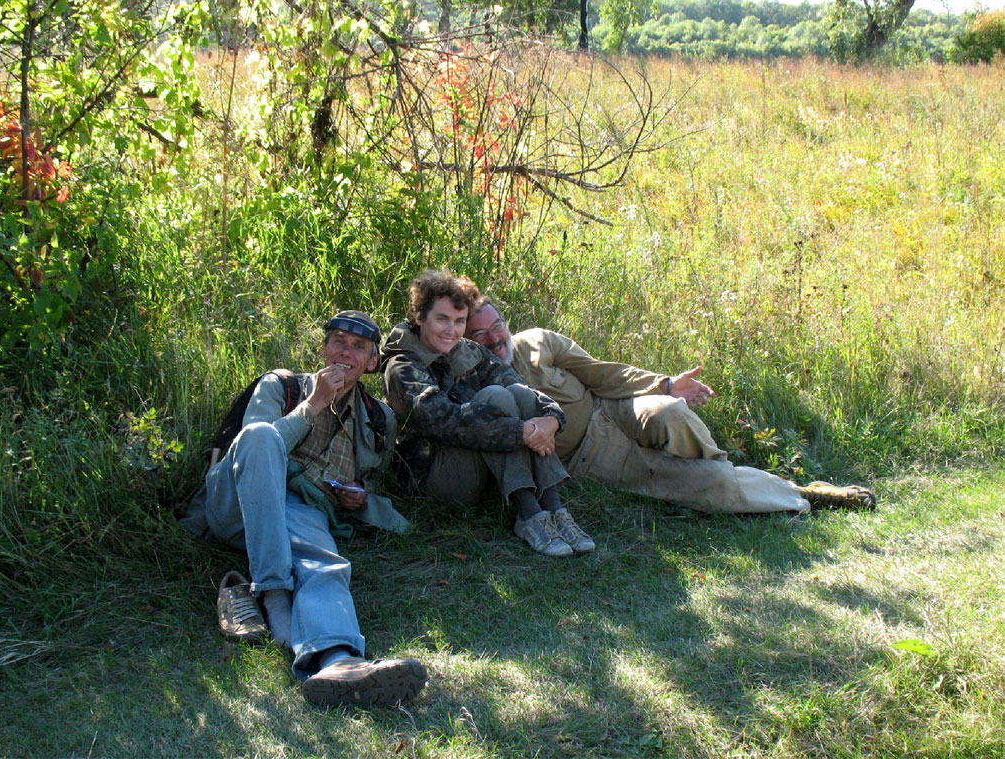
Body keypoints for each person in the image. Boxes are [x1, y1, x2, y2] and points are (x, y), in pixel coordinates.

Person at [180, 311, 428, 707]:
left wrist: (360, 495)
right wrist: (313, 406)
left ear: (371, 363)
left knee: (321, 562)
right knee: (261, 435)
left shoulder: (380, 419)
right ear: (323, 348)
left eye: (358, 347)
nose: (345, 353)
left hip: (299, 513)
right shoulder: (281, 387)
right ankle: (275, 593)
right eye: (338, 342)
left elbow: (378, 479)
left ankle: (339, 660)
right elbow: (253, 451)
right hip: (236, 505)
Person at [465, 298, 875, 514]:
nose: (494, 338)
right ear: (466, 343)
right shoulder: (477, 382)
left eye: (497, 324)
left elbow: (603, 374)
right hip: (591, 455)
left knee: (671, 413)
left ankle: (730, 473)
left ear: (507, 321)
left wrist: (665, 384)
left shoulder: (536, 341)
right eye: (479, 335)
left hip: (614, 409)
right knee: (707, 484)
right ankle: (803, 493)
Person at [380, 270, 595, 557]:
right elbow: (445, 422)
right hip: (433, 476)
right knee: (494, 397)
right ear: (420, 318)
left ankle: (553, 509)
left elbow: (520, 385)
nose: (451, 331)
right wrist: (523, 432)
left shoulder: (466, 350)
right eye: (441, 319)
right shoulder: (402, 367)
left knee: (515, 394)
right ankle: (529, 513)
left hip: (477, 461)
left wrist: (551, 419)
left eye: (459, 322)